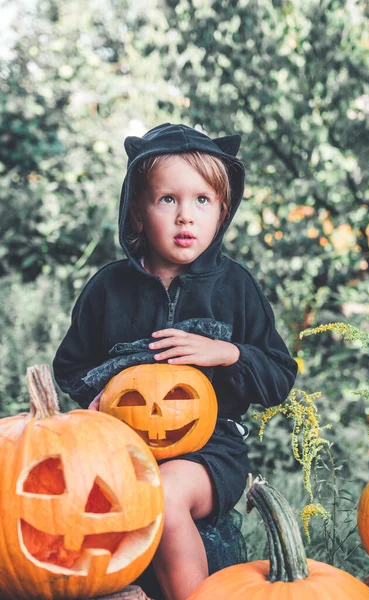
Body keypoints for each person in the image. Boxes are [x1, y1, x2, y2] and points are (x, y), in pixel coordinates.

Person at [53, 122, 298, 600]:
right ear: (138, 213)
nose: (186, 216)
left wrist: (229, 353)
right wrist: (98, 394)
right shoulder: (108, 288)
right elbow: (71, 365)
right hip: (122, 448)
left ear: (222, 211)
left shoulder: (235, 288)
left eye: (202, 201)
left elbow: (278, 377)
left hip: (209, 451)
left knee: (162, 492)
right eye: (168, 200)